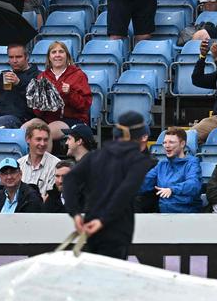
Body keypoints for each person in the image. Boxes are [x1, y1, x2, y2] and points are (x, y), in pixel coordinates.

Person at [62, 111, 153, 258]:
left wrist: (75, 214)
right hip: (117, 228)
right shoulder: (139, 161)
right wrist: (102, 220)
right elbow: (124, 192)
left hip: (91, 225)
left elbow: (69, 180)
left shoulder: (94, 156)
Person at [141, 128, 203, 213]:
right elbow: (144, 182)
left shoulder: (192, 162)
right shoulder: (162, 165)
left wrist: (172, 190)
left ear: (182, 144)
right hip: (164, 216)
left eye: (171, 142)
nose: (167, 145)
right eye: (164, 142)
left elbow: (193, 184)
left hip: (187, 216)